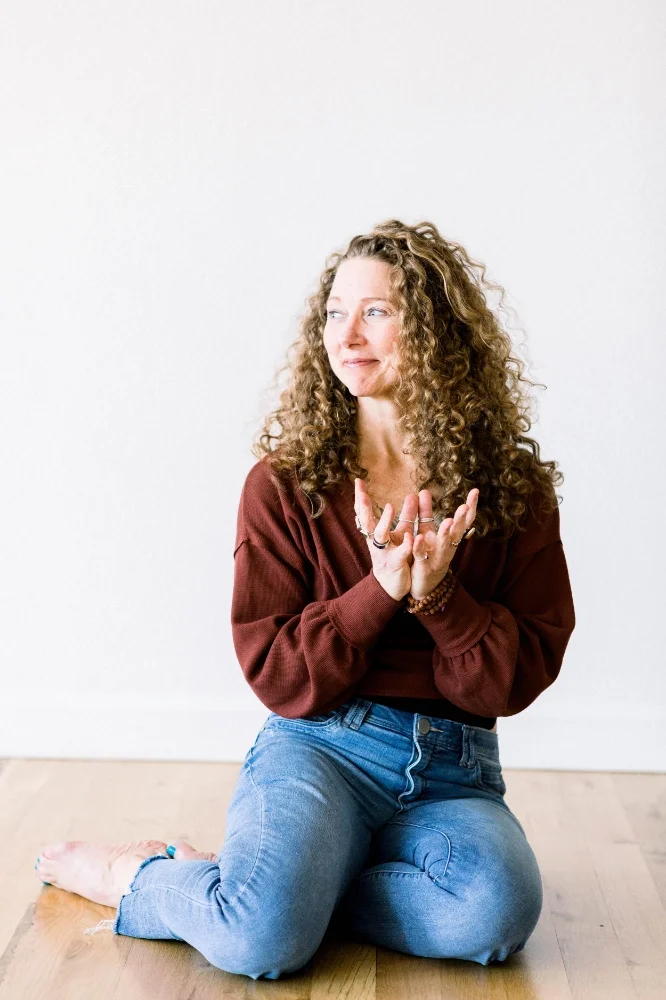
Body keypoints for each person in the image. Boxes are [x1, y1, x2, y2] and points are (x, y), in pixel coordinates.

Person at [35, 219, 576, 981]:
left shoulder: (512, 489)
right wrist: (381, 590)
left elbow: (513, 679)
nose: (346, 333)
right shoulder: (284, 483)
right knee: (261, 941)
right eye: (333, 312)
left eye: (377, 312)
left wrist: (441, 596)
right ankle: (140, 878)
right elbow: (278, 674)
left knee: (492, 915)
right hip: (322, 748)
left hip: (456, 768)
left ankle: (281, 887)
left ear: (436, 330)